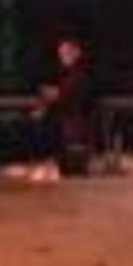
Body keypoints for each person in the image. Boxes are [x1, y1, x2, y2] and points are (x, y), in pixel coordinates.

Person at [37, 36, 97, 177]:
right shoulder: (68, 74)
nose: (63, 57)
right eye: (61, 54)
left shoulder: (82, 75)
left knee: (75, 171)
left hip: (77, 133)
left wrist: (54, 94)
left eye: (67, 53)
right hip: (67, 132)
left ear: (77, 52)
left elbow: (69, 94)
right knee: (67, 170)